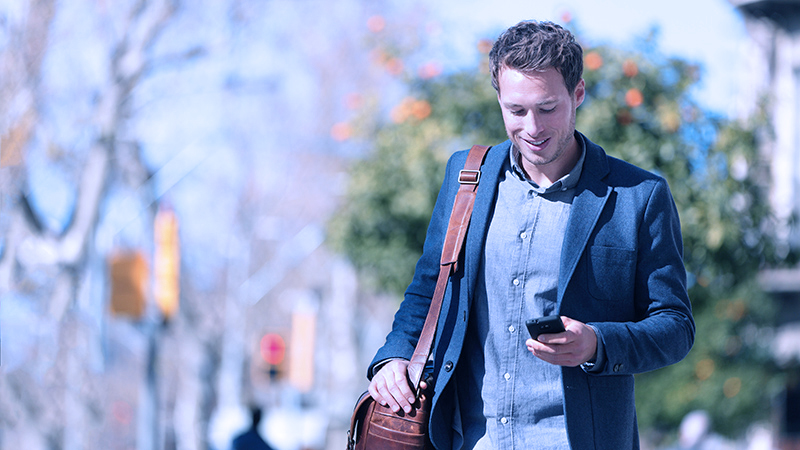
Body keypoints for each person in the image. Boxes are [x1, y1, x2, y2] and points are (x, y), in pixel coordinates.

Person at [366, 20, 695, 450]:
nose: (532, 128)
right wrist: (392, 358)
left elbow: (675, 327)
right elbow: (429, 287)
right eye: (516, 111)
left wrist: (597, 343)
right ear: (499, 100)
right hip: (470, 440)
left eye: (547, 108)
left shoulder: (640, 196)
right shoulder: (467, 177)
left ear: (577, 94)